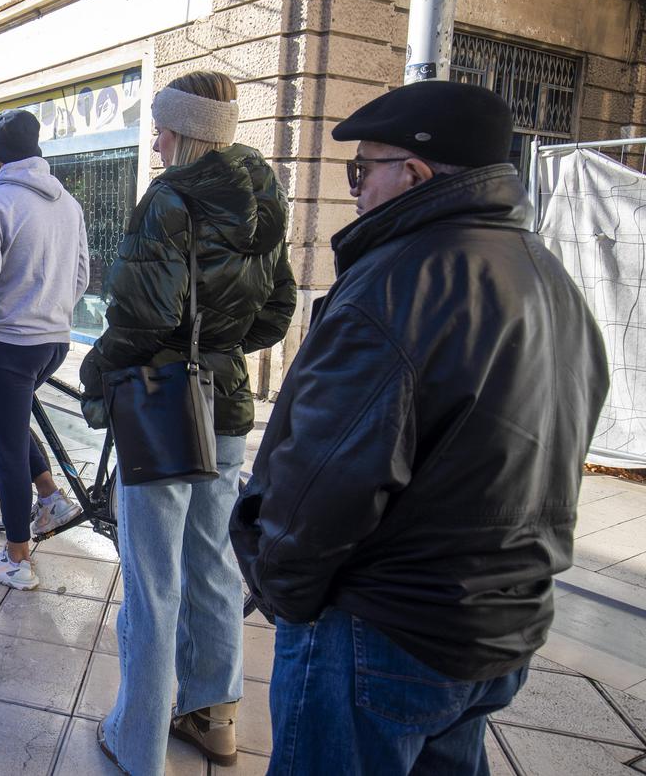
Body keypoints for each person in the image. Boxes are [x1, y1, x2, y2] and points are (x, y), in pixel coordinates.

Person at [229, 81, 609, 775]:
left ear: (415, 174)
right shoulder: (552, 280)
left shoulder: (396, 282)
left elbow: (330, 480)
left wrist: (280, 584)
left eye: (362, 169)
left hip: (383, 627)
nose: (358, 190)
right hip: (495, 628)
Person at [78, 71, 296, 772]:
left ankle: (137, 739)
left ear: (184, 132)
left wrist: (97, 374)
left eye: (162, 126)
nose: (154, 136)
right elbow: (277, 311)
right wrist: (219, 346)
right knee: (213, 564)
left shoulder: (169, 199)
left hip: (164, 406)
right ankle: (214, 715)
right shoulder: (265, 198)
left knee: (152, 577)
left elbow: (141, 318)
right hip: (225, 401)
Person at [0, 109, 89, 590]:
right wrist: (50, 313)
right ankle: (51, 497)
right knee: (10, 426)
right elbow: (80, 276)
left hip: (5, 345)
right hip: (53, 341)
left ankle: (16, 558)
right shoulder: (68, 204)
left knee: (5, 448)